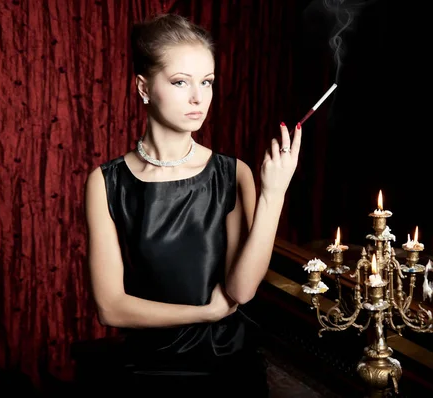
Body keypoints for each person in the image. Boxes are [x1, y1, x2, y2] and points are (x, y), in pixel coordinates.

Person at [83, 13, 302, 397]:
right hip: (146, 372)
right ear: (144, 88)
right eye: (181, 82)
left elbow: (242, 290)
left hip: (228, 369)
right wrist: (205, 312)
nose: (199, 98)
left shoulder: (234, 174)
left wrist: (273, 195)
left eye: (207, 82)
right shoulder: (106, 182)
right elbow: (111, 308)